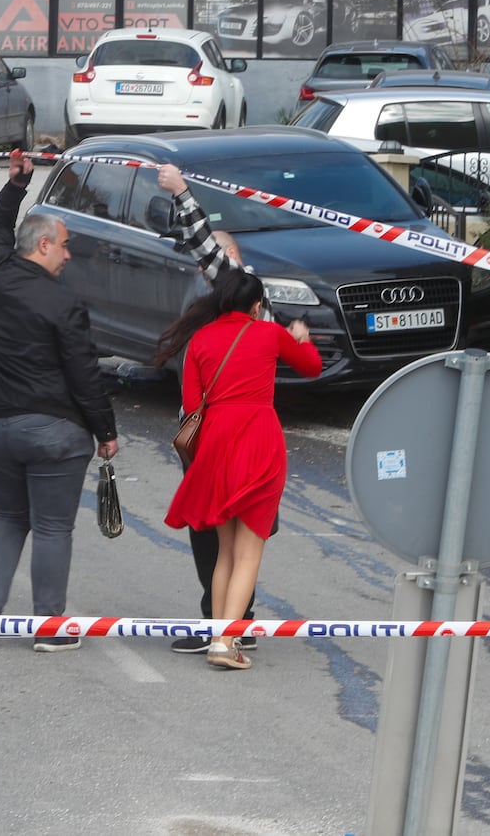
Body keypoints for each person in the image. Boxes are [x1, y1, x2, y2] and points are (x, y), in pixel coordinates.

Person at [0, 151, 118, 652]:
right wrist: (105, 431)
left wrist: (15, 187)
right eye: (64, 246)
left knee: (5, 517)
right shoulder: (64, 303)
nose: (69, 255)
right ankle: (49, 627)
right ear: (43, 245)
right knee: (53, 526)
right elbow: (84, 373)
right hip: (52, 430)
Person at [155, 269, 322, 670]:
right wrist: (302, 339)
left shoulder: (200, 340)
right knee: (249, 554)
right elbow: (311, 367)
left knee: (226, 553)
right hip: (259, 442)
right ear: (256, 304)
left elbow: (192, 404)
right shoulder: (269, 334)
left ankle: (218, 636)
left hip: (215, 445)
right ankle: (226, 643)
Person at [157, 163, 275, 655]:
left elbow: (209, 252)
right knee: (213, 542)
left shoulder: (257, 311)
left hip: (241, 447)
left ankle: (229, 627)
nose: (219, 268)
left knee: (236, 542)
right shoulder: (208, 313)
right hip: (209, 445)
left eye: (231, 262)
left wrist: (184, 193)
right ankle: (221, 624)